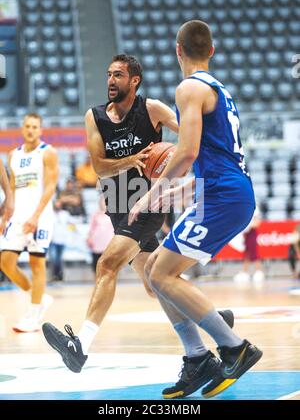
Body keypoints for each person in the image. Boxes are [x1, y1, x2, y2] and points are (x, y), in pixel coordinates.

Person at [42, 54, 233, 391]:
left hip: (145, 205)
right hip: (118, 206)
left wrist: (173, 161)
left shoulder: (153, 109)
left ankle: (80, 347)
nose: (111, 80)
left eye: (118, 74)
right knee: (152, 283)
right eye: (108, 74)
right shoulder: (95, 117)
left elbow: (192, 139)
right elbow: (100, 167)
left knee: (107, 265)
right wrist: (133, 159)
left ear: (135, 81)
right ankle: (213, 322)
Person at [129, 20, 263, 398]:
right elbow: (215, 160)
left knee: (162, 275)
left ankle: (234, 346)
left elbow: (186, 152)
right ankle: (197, 356)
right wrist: (178, 192)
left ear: (177, 50)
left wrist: (151, 193)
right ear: (212, 51)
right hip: (224, 190)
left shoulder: (189, 87)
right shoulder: (220, 89)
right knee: (155, 270)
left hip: (224, 195)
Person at [1, 113, 58, 332]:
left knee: (36, 264)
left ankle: (33, 316)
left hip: (40, 216)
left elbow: (51, 186)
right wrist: (7, 213)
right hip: (18, 216)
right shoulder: (13, 155)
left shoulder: (47, 152)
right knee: (5, 262)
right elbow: (12, 187)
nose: (31, 130)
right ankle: (40, 298)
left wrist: (35, 216)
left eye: (35, 126)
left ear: (40, 130)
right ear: (22, 129)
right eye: (27, 126)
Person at [234, 208, 265, 286]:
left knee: (254, 253)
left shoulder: (256, 213)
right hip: (247, 234)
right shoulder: (248, 212)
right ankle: (245, 271)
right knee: (247, 253)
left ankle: (258, 271)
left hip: (252, 234)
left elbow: (256, 224)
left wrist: (249, 225)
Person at [87, 196, 114, 273]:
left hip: (108, 241)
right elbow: (91, 228)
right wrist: (89, 238)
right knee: (96, 263)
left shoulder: (112, 214)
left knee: (108, 263)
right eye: (102, 202)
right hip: (97, 241)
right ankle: (96, 281)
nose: (103, 204)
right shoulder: (95, 215)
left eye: (105, 202)